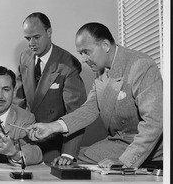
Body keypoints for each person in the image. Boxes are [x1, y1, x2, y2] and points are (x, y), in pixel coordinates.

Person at [27, 22, 163, 169]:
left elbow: (154, 122)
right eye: (81, 53)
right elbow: (89, 109)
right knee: (71, 159)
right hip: (119, 142)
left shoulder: (141, 65)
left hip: (148, 145)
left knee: (77, 163)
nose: (83, 59)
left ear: (105, 45)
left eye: (86, 52)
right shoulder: (101, 70)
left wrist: (125, 161)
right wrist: (52, 127)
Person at [14, 12, 87, 163]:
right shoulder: (24, 58)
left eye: (36, 37)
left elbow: (76, 114)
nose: (31, 43)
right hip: (26, 139)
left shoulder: (68, 63)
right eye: (28, 38)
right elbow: (18, 102)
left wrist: (67, 155)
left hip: (54, 144)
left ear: (49, 32)